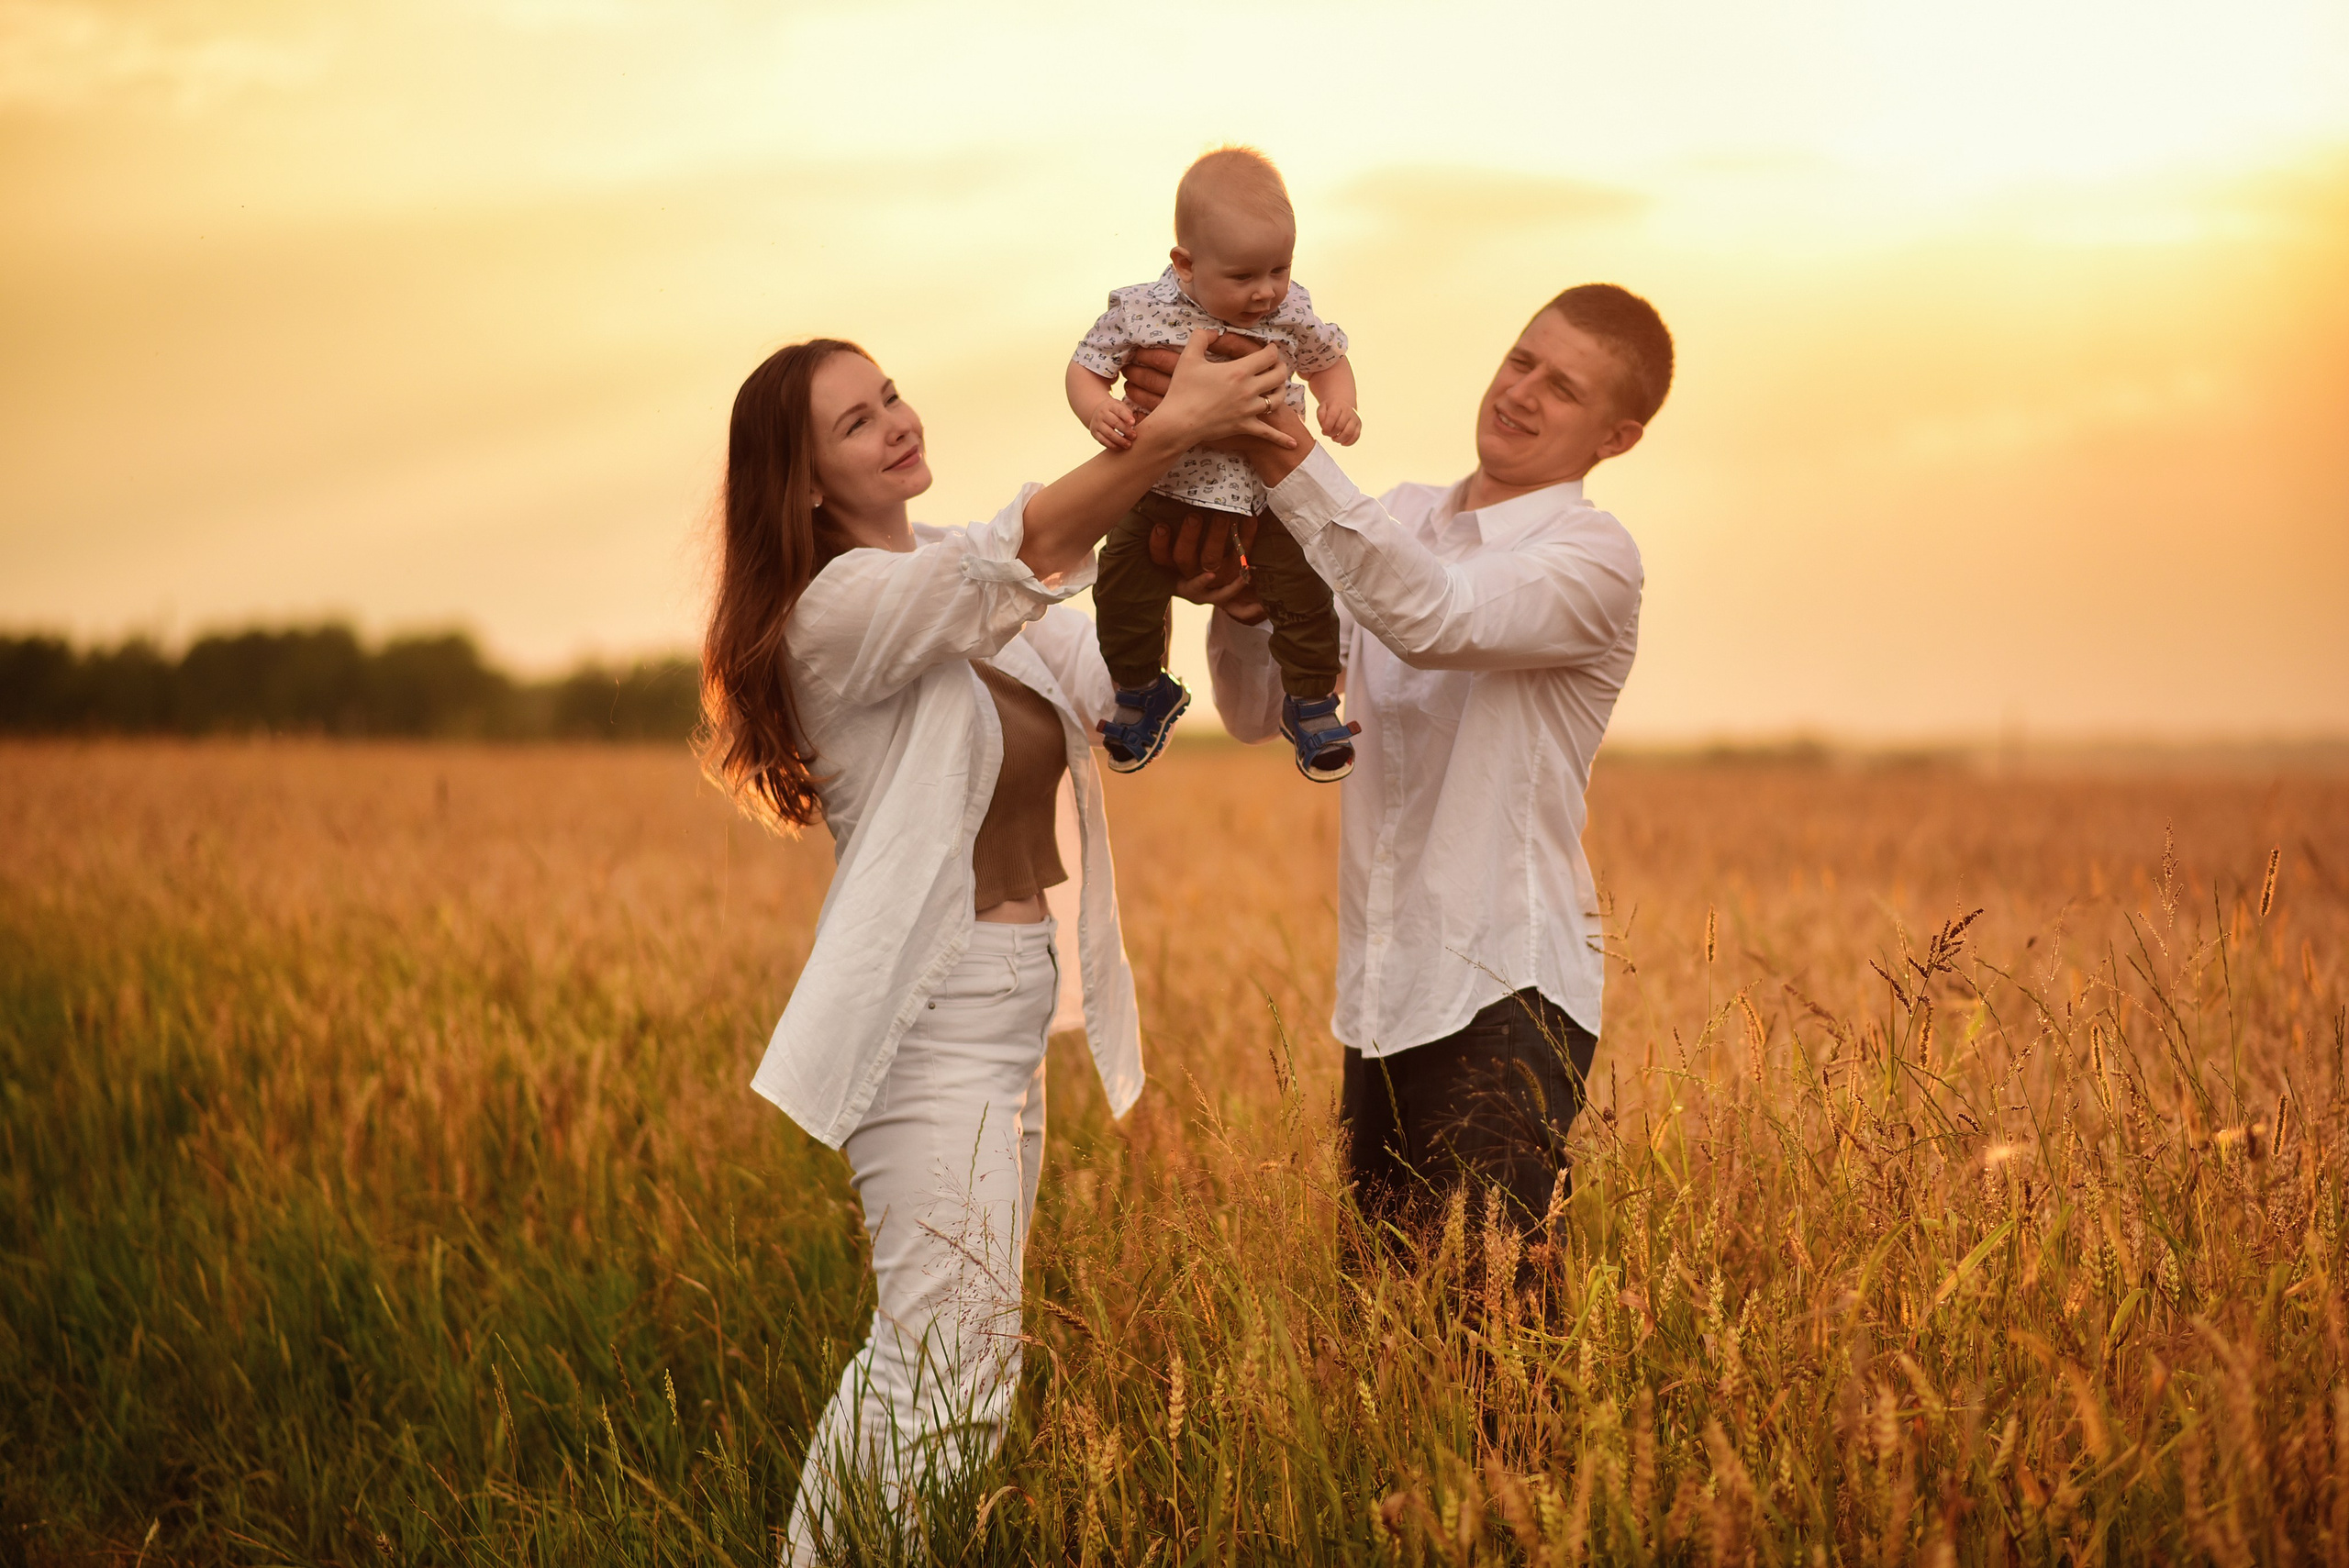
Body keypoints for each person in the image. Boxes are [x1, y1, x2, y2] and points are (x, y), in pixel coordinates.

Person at [698, 330, 1293, 1562]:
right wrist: (1167, 429)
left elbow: (1109, 685)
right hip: (929, 1024)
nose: (895, 422)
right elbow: (1018, 548)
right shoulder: (842, 611)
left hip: (1012, 1011)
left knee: (956, 1359)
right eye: (855, 423)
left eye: (891, 396)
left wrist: (1199, 570)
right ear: (805, 483)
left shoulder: (983, 596)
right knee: (945, 1368)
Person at [1121, 284, 1670, 1233]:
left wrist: (1283, 445)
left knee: (1484, 1338)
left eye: (1564, 389)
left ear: (1615, 439)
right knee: (1386, 1335)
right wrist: (1252, 608)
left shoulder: (1593, 556)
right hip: (1381, 989)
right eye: (1521, 360)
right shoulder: (1400, 517)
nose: (1522, 393)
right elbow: (1258, 712)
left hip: (1508, 989)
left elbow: (1432, 616)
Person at [1064, 145, 1363, 782]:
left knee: (1303, 590)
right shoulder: (1144, 308)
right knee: (1119, 584)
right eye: (1244, 275)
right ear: (1185, 263)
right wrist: (1096, 410)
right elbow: (1087, 366)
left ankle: (1312, 702)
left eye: (1280, 268)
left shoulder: (1289, 310)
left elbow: (1328, 357)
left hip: (1267, 492)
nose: (1265, 291)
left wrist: (1340, 403)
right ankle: (1143, 690)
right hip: (1161, 484)